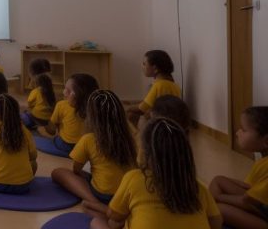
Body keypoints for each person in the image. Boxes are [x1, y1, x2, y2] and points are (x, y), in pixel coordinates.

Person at [92, 118, 223, 229]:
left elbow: (114, 214)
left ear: (145, 153)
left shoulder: (133, 179)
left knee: (97, 222)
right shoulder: (198, 188)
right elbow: (217, 223)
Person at [52, 90, 138, 218]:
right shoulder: (131, 133)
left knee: (58, 173)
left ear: (91, 116)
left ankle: (97, 204)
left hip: (105, 195)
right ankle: (115, 210)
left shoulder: (89, 139)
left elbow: (76, 169)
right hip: (129, 192)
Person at [210, 107, 268, 229]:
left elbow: (246, 202)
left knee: (218, 209)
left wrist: (219, 197)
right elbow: (250, 188)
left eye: (244, 130)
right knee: (218, 180)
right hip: (259, 205)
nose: (237, 132)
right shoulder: (263, 161)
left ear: (266, 141)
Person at [127, 50, 181, 126]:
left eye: (144, 64)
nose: (142, 66)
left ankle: (144, 135)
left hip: (159, 123)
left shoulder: (158, 85)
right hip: (174, 123)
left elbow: (142, 109)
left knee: (130, 114)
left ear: (155, 69)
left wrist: (124, 108)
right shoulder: (175, 85)